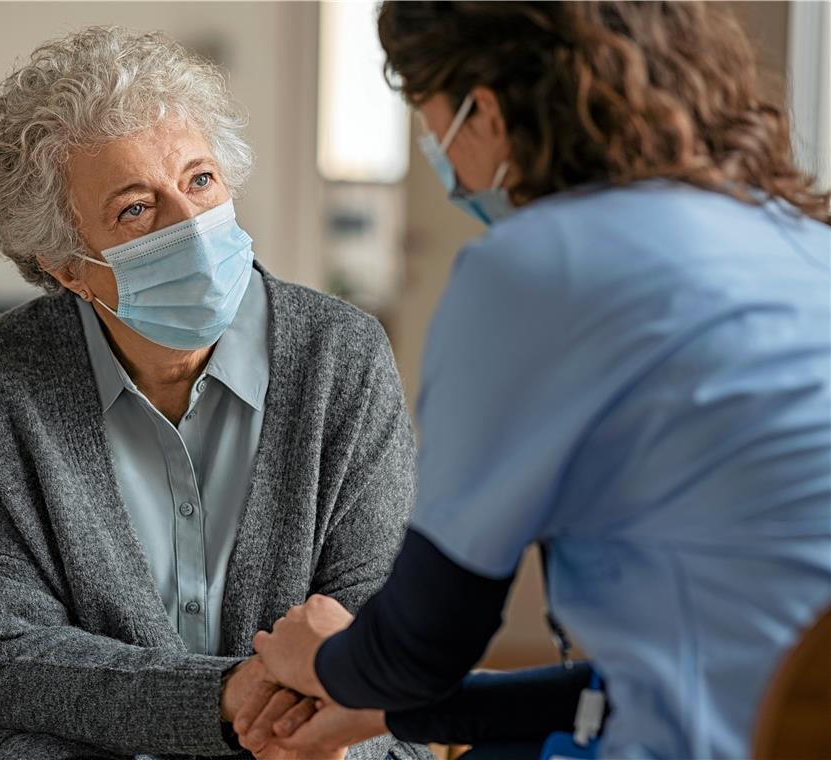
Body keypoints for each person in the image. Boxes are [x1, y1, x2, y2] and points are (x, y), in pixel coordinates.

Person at [234, 2, 831, 758]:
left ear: (481, 107)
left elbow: (420, 647)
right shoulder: (801, 241)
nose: (436, 152)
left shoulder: (536, 267)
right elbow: (643, 684)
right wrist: (388, 712)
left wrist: (319, 658)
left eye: (427, 115)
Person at [0, 26, 429, 760]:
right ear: (66, 267)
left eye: (200, 180)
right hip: (69, 741)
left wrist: (282, 718)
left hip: (314, 733)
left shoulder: (344, 356)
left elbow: (377, 609)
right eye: (136, 210)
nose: (192, 224)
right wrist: (216, 699)